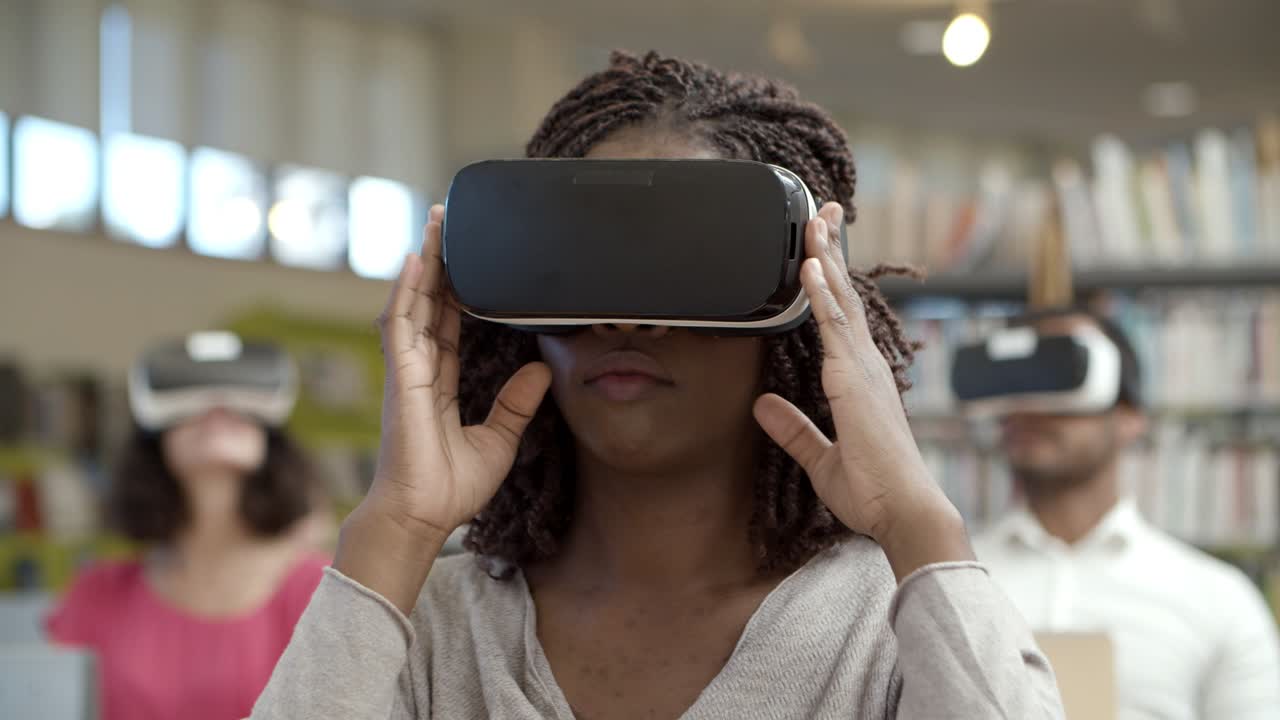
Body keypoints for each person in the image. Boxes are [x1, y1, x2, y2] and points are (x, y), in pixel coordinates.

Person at [251, 50, 1064, 719]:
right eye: (590, 264)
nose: (626, 321)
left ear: (800, 295)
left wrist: (916, 521)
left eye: (685, 265)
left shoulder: (890, 624)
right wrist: (392, 530)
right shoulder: (428, 624)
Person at [971, 309, 1280, 719]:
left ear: (1130, 418)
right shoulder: (949, 582)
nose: (1031, 406)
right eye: (1017, 383)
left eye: (1063, 373)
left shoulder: (1221, 600)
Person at [46, 340, 330, 720]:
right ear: (155, 443)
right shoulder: (99, 591)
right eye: (191, 406)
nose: (215, 409)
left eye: (236, 405)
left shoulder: (321, 590)